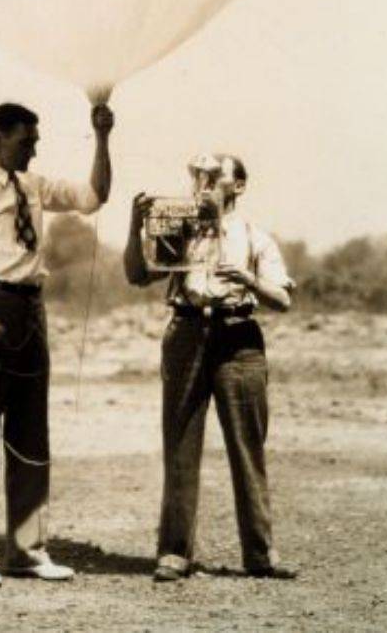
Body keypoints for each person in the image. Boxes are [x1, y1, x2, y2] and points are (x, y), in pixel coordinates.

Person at [0, 100, 114, 586]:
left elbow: (94, 195)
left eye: (36, 142)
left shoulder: (35, 187)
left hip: (31, 310)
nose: (33, 150)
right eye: (25, 141)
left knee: (32, 436)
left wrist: (102, 137)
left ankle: (28, 551)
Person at [123, 152, 296, 582]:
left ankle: (260, 553)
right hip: (186, 331)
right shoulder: (180, 230)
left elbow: (284, 300)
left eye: (214, 176)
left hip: (238, 337)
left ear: (237, 186)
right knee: (180, 442)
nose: (203, 182)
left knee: (246, 446)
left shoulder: (256, 236)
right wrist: (134, 225)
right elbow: (138, 275)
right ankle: (174, 552)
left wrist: (248, 280)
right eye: (197, 175)